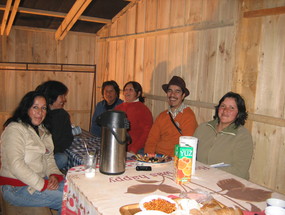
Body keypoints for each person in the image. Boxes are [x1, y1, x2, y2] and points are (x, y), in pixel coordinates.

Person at [0, 91, 64, 214]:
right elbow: (16, 164)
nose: (40, 112)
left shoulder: (43, 130)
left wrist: (54, 175)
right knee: (66, 198)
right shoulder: (15, 129)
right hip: (16, 187)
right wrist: (43, 184)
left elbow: (49, 158)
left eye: (44, 108)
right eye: (35, 107)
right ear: (26, 108)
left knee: (73, 190)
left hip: (36, 180)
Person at [194, 92, 253, 179]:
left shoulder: (242, 136)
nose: (225, 110)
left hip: (229, 183)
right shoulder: (203, 127)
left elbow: (240, 171)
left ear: (239, 113)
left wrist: (208, 171)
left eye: (231, 108)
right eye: (223, 106)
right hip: (199, 178)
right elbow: (190, 154)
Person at [144, 76, 198, 157]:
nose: (172, 94)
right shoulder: (162, 116)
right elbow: (152, 140)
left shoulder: (188, 116)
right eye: (170, 91)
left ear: (183, 95)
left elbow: (187, 147)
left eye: (177, 91)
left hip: (174, 159)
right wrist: (149, 157)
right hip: (157, 157)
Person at [35, 80, 73, 170]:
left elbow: (67, 138)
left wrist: (51, 150)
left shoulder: (62, 115)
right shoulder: (36, 114)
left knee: (62, 158)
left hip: (51, 154)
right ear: (52, 96)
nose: (64, 100)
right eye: (62, 96)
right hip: (34, 154)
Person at [115, 81, 153, 154]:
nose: (127, 92)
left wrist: (134, 149)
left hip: (137, 149)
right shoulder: (118, 107)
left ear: (138, 93)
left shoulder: (143, 110)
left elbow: (147, 133)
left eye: (131, 90)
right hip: (119, 147)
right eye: (125, 90)